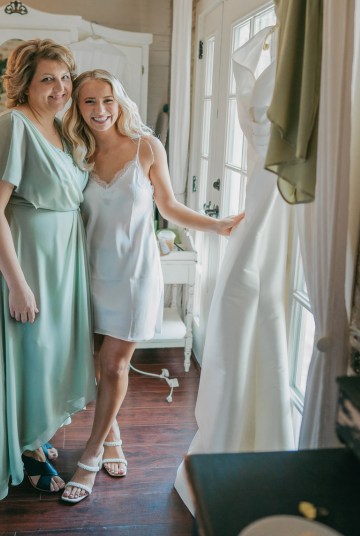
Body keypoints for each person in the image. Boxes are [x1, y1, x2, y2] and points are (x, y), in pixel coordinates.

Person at [60, 69, 244, 503]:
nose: (100, 110)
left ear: (119, 100)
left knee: (114, 366)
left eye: (107, 100)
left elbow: (170, 206)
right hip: (86, 274)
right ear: (77, 107)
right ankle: (111, 439)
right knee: (95, 364)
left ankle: (88, 458)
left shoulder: (147, 146)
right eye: (89, 102)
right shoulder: (75, 151)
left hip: (133, 275)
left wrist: (217, 226)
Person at [0, 39, 96, 502]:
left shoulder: (64, 129)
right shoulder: (12, 126)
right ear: (25, 83)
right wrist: (17, 284)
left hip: (63, 257)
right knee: (30, 349)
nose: (60, 88)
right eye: (48, 79)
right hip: (25, 259)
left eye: (65, 78)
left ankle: (37, 435)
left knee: (51, 352)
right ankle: (25, 450)